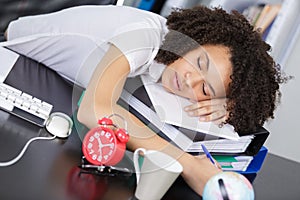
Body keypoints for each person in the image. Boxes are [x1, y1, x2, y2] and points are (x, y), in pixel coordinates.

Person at [2, 4, 285, 196]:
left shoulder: (172, 56)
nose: (189, 80)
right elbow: (94, 109)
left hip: (55, 83)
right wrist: (189, 165)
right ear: (197, 38)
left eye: (205, 90)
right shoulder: (145, 33)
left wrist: (229, 104)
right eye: (200, 61)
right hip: (14, 62)